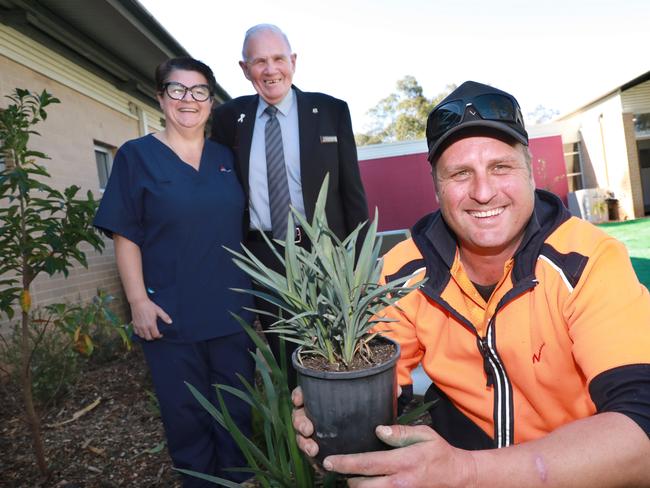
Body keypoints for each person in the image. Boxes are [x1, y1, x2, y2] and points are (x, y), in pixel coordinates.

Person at [292, 81, 650, 486]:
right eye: (460, 173)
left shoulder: (588, 260)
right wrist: (336, 417)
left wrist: (466, 473)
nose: (482, 192)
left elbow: (641, 431)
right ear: (437, 188)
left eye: (500, 167)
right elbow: (381, 390)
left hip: (580, 470)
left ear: (530, 173)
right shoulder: (401, 272)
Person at [94, 57, 255, 486]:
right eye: (177, 90)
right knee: (187, 419)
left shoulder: (228, 157)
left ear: (210, 100)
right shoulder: (136, 156)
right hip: (170, 315)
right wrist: (138, 302)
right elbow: (125, 234)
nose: (189, 99)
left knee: (237, 414)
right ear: (160, 97)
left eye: (199, 90)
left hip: (233, 313)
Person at [210, 24, 368, 387]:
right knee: (286, 357)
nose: (270, 70)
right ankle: (299, 432)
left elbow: (352, 194)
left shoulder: (331, 111)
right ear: (244, 68)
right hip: (264, 255)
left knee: (337, 352)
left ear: (293, 61)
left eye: (278, 58)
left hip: (327, 253)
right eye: (259, 61)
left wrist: (359, 264)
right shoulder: (228, 120)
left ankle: (341, 427)